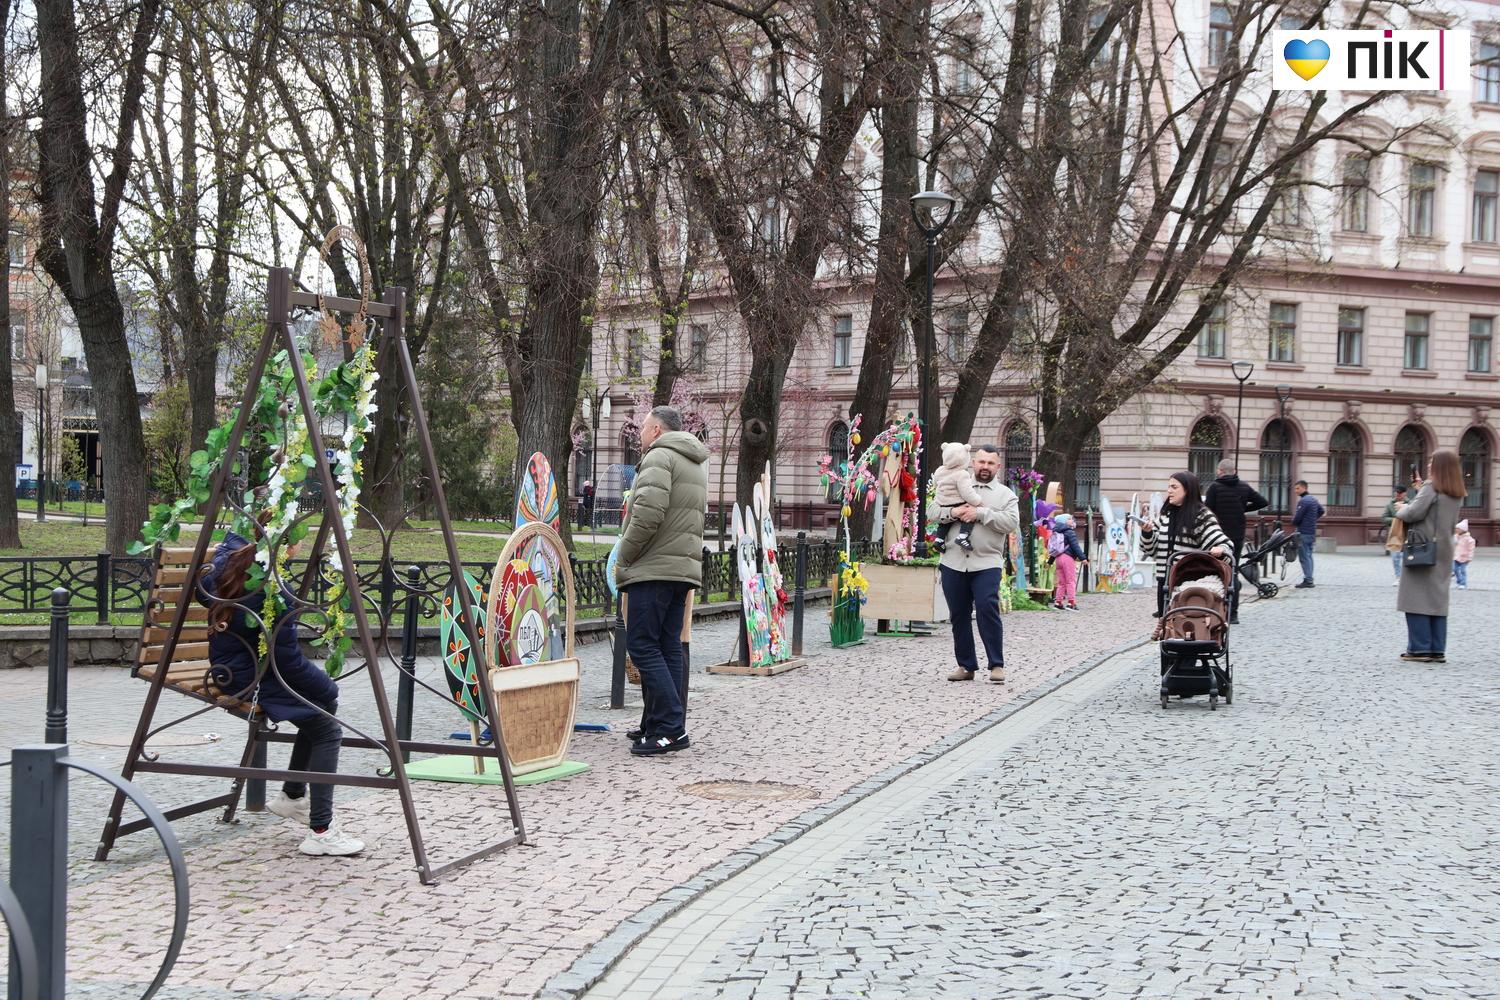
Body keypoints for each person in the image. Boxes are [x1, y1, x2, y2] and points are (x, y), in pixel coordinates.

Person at [201, 532, 363, 857]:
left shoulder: (230, 562)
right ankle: (321, 831)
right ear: (287, 545)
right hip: (249, 676)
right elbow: (288, 661)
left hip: (232, 665)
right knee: (328, 726)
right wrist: (327, 685)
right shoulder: (269, 589)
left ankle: (291, 797)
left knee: (321, 711)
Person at [614, 406, 709, 755]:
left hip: (653, 567)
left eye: (642, 427)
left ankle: (670, 726)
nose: (639, 434)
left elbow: (648, 513)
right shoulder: (694, 461)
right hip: (680, 567)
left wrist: (624, 555)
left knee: (641, 645)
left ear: (655, 429)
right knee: (667, 644)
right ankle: (658, 724)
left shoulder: (659, 458)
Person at [930, 444, 1020, 684]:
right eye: (981, 462)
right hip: (953, 561)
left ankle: (996, 665)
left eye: (990, 463)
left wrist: (981, 513)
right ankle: (966, 665)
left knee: (986, 607)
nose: (985, 467)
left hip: (986, 562)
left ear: (998, 467)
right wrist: (955, 512)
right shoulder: (954, 482)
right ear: (973, 462)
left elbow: (1011, 522)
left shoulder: (1005, 495)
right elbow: (932, 510)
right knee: (958, 614)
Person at [1394, 450, 1465, 663]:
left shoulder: (1430, 486)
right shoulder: (1456, 491)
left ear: (1439, 466)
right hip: (1443, 548)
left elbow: (1413, 513)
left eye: (1432, 462)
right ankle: (1436, 648)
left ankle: (1419, 648)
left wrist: (1401, 507)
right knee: (1437, 599)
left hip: (1422, 547)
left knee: (1415, 597)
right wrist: (1421, 490)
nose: (1428, 465)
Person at [1138, 471, 1232, 619]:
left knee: (1187, 624)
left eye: (1174, 487)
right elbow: (1153, 550)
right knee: (1167, 627)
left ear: (1188, 489)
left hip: (1189, 581)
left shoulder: (1201, 515)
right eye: (1168, 486)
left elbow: (1223, 542)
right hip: (1165, 580)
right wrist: (1147, 533)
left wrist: (1221, 549)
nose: (1169, 490)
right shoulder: (1166, 515)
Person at [1204, 459, 1269, 624]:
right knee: (1232, 571)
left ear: (1220, 471)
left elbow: (1207, 510)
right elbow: (1263, 502)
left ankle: (1217, 610)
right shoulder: (1243, 486)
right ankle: (1233, 614)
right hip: (1237, 536)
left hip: (1217, 536)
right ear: (1233, 471)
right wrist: (1241, 508)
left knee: (1217, 571)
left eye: (1218, 470)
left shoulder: (1215, 487)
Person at [933, 442, 985, 551]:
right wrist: (977, 501)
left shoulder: (939, 470)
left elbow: (935, 483)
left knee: (944, 522)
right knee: (968, 515)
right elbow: (966, 492)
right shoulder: (962, 474)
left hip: (942, 502)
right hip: (956, 501)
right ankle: (963, 537)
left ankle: (939, 540)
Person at [1047, 513, 1086, 611]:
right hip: (1068, 558)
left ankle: (1058, 602)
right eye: (1069, 519)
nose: (1072, 520)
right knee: (1070, 581)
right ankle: (1071, 603)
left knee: (1061, 582)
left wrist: (1050, 562)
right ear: (1064, 521)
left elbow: (1055, 548)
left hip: (1058, 558)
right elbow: (1075, 546)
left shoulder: (1057, 532)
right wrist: (1083, 558)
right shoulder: (1069, 532)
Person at [1290, 480, 1324, 589]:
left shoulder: (1304, 501)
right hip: (1311, 531)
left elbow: (1297, 517)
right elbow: (1321, 510)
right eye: (1295, 488)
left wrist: (1294, 522)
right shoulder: (1313, 499)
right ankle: (1309, 578)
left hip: (1303, 531)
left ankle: (1308, 580)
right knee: (1309, 555)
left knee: (1304, 557)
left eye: (1297, 488)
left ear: (1304, 488)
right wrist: (1312, 520)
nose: (1295, 491)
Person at [1382, 485, 1409, 585]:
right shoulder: (1390, 504)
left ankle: (1406, 577)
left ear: (1405, 493)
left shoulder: (1410, 503)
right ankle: (1398, 577)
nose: (1397, 494)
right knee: (1395, 557)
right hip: (1395, 534)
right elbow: (1384, 518)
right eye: (1396, 492)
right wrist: (1395, 520)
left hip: (1407, 534)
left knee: (1407, 557)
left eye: (1400, 492)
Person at [1454, 518, 1476, 590]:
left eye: (1458, 529)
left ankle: (1463, 583)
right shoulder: (1456, 537)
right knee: (1455, 569)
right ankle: (1459, 581)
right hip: (1456, 557)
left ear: (1462, 530)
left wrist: (1470, 557)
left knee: (1462, 570)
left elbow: (1471, 549)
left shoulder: (1469, 539)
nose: (1456, 530)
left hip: (1465, 557)